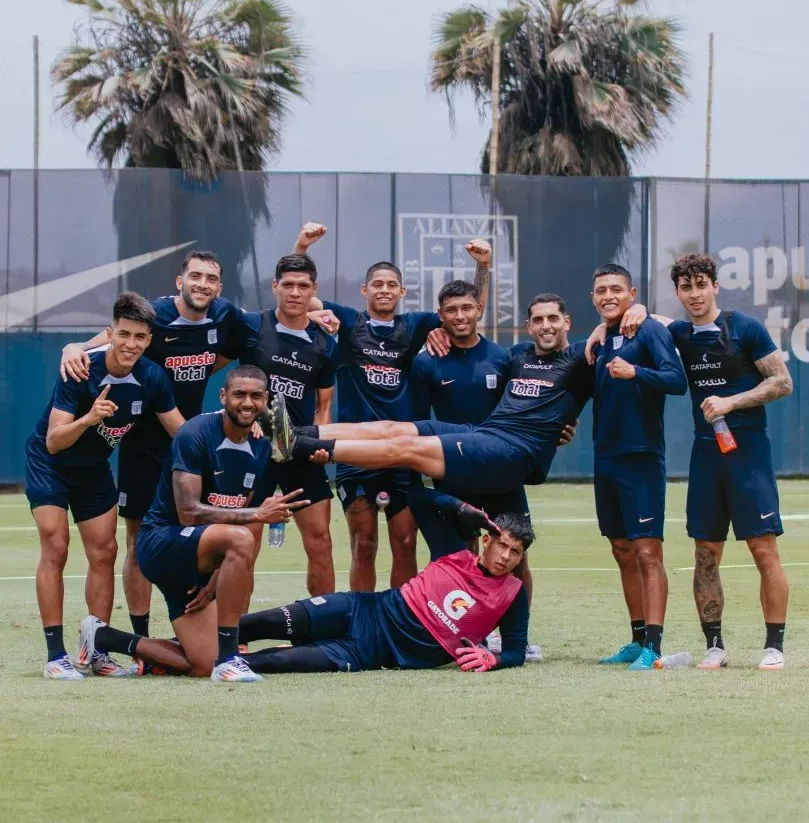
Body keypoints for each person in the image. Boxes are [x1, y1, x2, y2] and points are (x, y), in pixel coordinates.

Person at [607, 254, 793, 670]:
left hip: (749, 454)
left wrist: (733, 400)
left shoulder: (744, 327)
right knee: (705, 553)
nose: (694, 294)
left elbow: (782, 381)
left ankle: (774, 646)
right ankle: (715, 646)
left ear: (714, 286)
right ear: (678, 292)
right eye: (686, 287)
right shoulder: (680, 333)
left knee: (764, 550)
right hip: (706, 455)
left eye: (701, 284)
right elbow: (644, 317)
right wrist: (618, 318)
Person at [60, 251, 250, 641]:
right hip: (142, 446)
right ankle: (141, 635)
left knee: (199, 535)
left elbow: (267, 325)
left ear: (219, 287)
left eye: (211, 278)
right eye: (194, 276)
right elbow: (110, 339)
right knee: (138, 540)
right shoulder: (156, 316)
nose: (202, 284)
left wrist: (315, 315)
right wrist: (74, 346)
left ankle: (200, 632)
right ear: (179, 282)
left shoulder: (225, 315)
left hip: (189, 442)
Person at [75, 366, 309, 683]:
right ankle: (230, 658)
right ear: (224, 396)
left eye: (256, 396)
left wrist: (214, 577)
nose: (247, 402)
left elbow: (243, 513)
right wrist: (256, 516)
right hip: (161, 544)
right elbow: (189, 512)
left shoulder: (262, 445)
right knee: (243, 538)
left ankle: (102, 637)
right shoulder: (195, 433)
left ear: (266, 400)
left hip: (198, 556)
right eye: (239, 394)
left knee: (201, 664)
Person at [294, 221, 491, 592]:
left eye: (391, 285)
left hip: (402, 455)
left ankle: (400, 621)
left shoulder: (415, 325)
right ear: (365, 290)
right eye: (377, 284)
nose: (384, 290)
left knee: (405, 543)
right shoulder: (350, 322)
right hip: (356, 455)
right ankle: (362, 626)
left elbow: (468, 310)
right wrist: (302, 247)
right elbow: (301, 293)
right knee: (363, 545)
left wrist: (483, 266)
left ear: (402, 291)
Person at [263, 294, 593, 509]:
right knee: (393, 428)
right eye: (538, 319)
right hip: (482, 435)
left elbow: (622, 327)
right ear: (528, 325)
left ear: (568, 322)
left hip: (511, 454)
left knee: (404, 449)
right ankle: (289, 432)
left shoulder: (581, 357)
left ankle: (296, 446)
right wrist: (443, 332)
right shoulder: (517, 355)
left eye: (553, 319)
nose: (546, 326)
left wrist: (625, 317)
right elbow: (473, 338)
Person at [26, 292, 182, 679]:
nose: (131, 344)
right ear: (110, 333)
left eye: (140, 337)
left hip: (94, 468)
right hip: (51, 463)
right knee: (56, 546)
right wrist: (90, 418)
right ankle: (54, 656)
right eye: (124, 334)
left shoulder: (152, 378)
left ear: (149, 340)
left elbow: (179, 430)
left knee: (105, 552)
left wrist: (223, 429)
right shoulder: (81, 369)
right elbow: (54, 439)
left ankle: (94, 651)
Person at [236, 485, 533, 675]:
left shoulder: (513, 594)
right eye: (502, 545)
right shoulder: (453, 551)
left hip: (370, 653)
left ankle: (205, 663)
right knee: (266, 622)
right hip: (363, 609)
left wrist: (493, 659)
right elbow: (416, 496)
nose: (506, 557)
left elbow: (516, 652)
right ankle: (198, 640)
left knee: (277, 663)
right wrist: (459, 508)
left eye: (515, 552)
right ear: (486, 540)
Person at [408, 279, 541, 661]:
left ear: (479, 310)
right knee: (462, 557)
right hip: (455, 473)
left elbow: (527, 409)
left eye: (467, 308)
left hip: (502, 472)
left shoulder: (502, 358)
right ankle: (470, 636)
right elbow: (417, 425)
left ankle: (519, 639)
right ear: (441, 316)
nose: (460, 316)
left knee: (517, 556)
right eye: (451, 310)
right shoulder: (426, 361)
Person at [587, 265, 687, 671]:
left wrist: (636, 372)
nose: (608, 295)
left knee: (647, 551)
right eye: (600, 291)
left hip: (641, 456)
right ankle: (635, 638)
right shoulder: (602, 338)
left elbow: (676, 380)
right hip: (605, 457)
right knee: (622, 550)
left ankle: (655, 648)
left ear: (631, 292)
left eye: (616, 289)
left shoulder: (647, 330)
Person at [237, 254, 340, 594]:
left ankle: (324, 635)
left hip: (299, 453)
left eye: (303, 286)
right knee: (243, 549)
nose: (295, 292)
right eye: (288, 285)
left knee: (321, 544)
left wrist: (320, 446)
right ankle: (237, 639)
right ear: (274, 287)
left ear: (314, 290)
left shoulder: (325, 343)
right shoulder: (253, 326)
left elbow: (323, 407)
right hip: (252, 451)